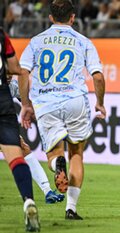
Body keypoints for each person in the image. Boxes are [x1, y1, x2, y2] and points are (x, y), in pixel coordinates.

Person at [18, 0, 106, 220]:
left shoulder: (36, 41)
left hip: (46, 102)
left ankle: (57, 164)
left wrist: (26, 103)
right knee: (76, 153)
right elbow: (98, 76)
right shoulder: (83, 41)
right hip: (75, 99)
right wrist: (100, 102)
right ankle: (71, 208)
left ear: (50, 18)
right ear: (73, 17)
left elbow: (23, 73)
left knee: (55, 153)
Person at [0, 28, 40, 232]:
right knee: (15, 157)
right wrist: (25, 104)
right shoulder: (1, 34)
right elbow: (18, 69)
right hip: (3, 100)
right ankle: (28, 201)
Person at [8, 78, 65, 204]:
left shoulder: (12, 85)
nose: (9, 76)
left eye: (10, 73)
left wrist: (42, 117)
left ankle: (48, 192)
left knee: (23, 148)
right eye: (6, 73)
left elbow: (28, 104)